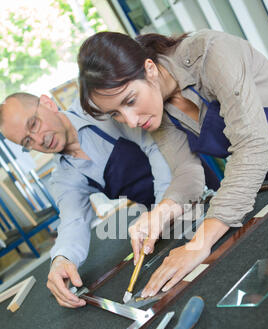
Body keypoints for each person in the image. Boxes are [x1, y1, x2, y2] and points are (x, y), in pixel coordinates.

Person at [77, 29, 268, 298]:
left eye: (130, 101)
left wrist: (199, 244)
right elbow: (187, 171)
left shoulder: (212, 53)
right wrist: (161, 212)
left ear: (149, 69)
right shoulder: (157, 109)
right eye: (116, 113)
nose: (131, 121)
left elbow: (252, 146)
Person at [0, 92, 204, 307]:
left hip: (189, 186)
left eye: (34, 124)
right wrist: (62, 259)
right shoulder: (63, 176)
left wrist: (163, 209)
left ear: (48, 103)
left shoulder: (96, 106)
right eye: (28, 141)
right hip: (156, 226)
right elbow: (73, 221)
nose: (39, 139)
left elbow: (155, 146)